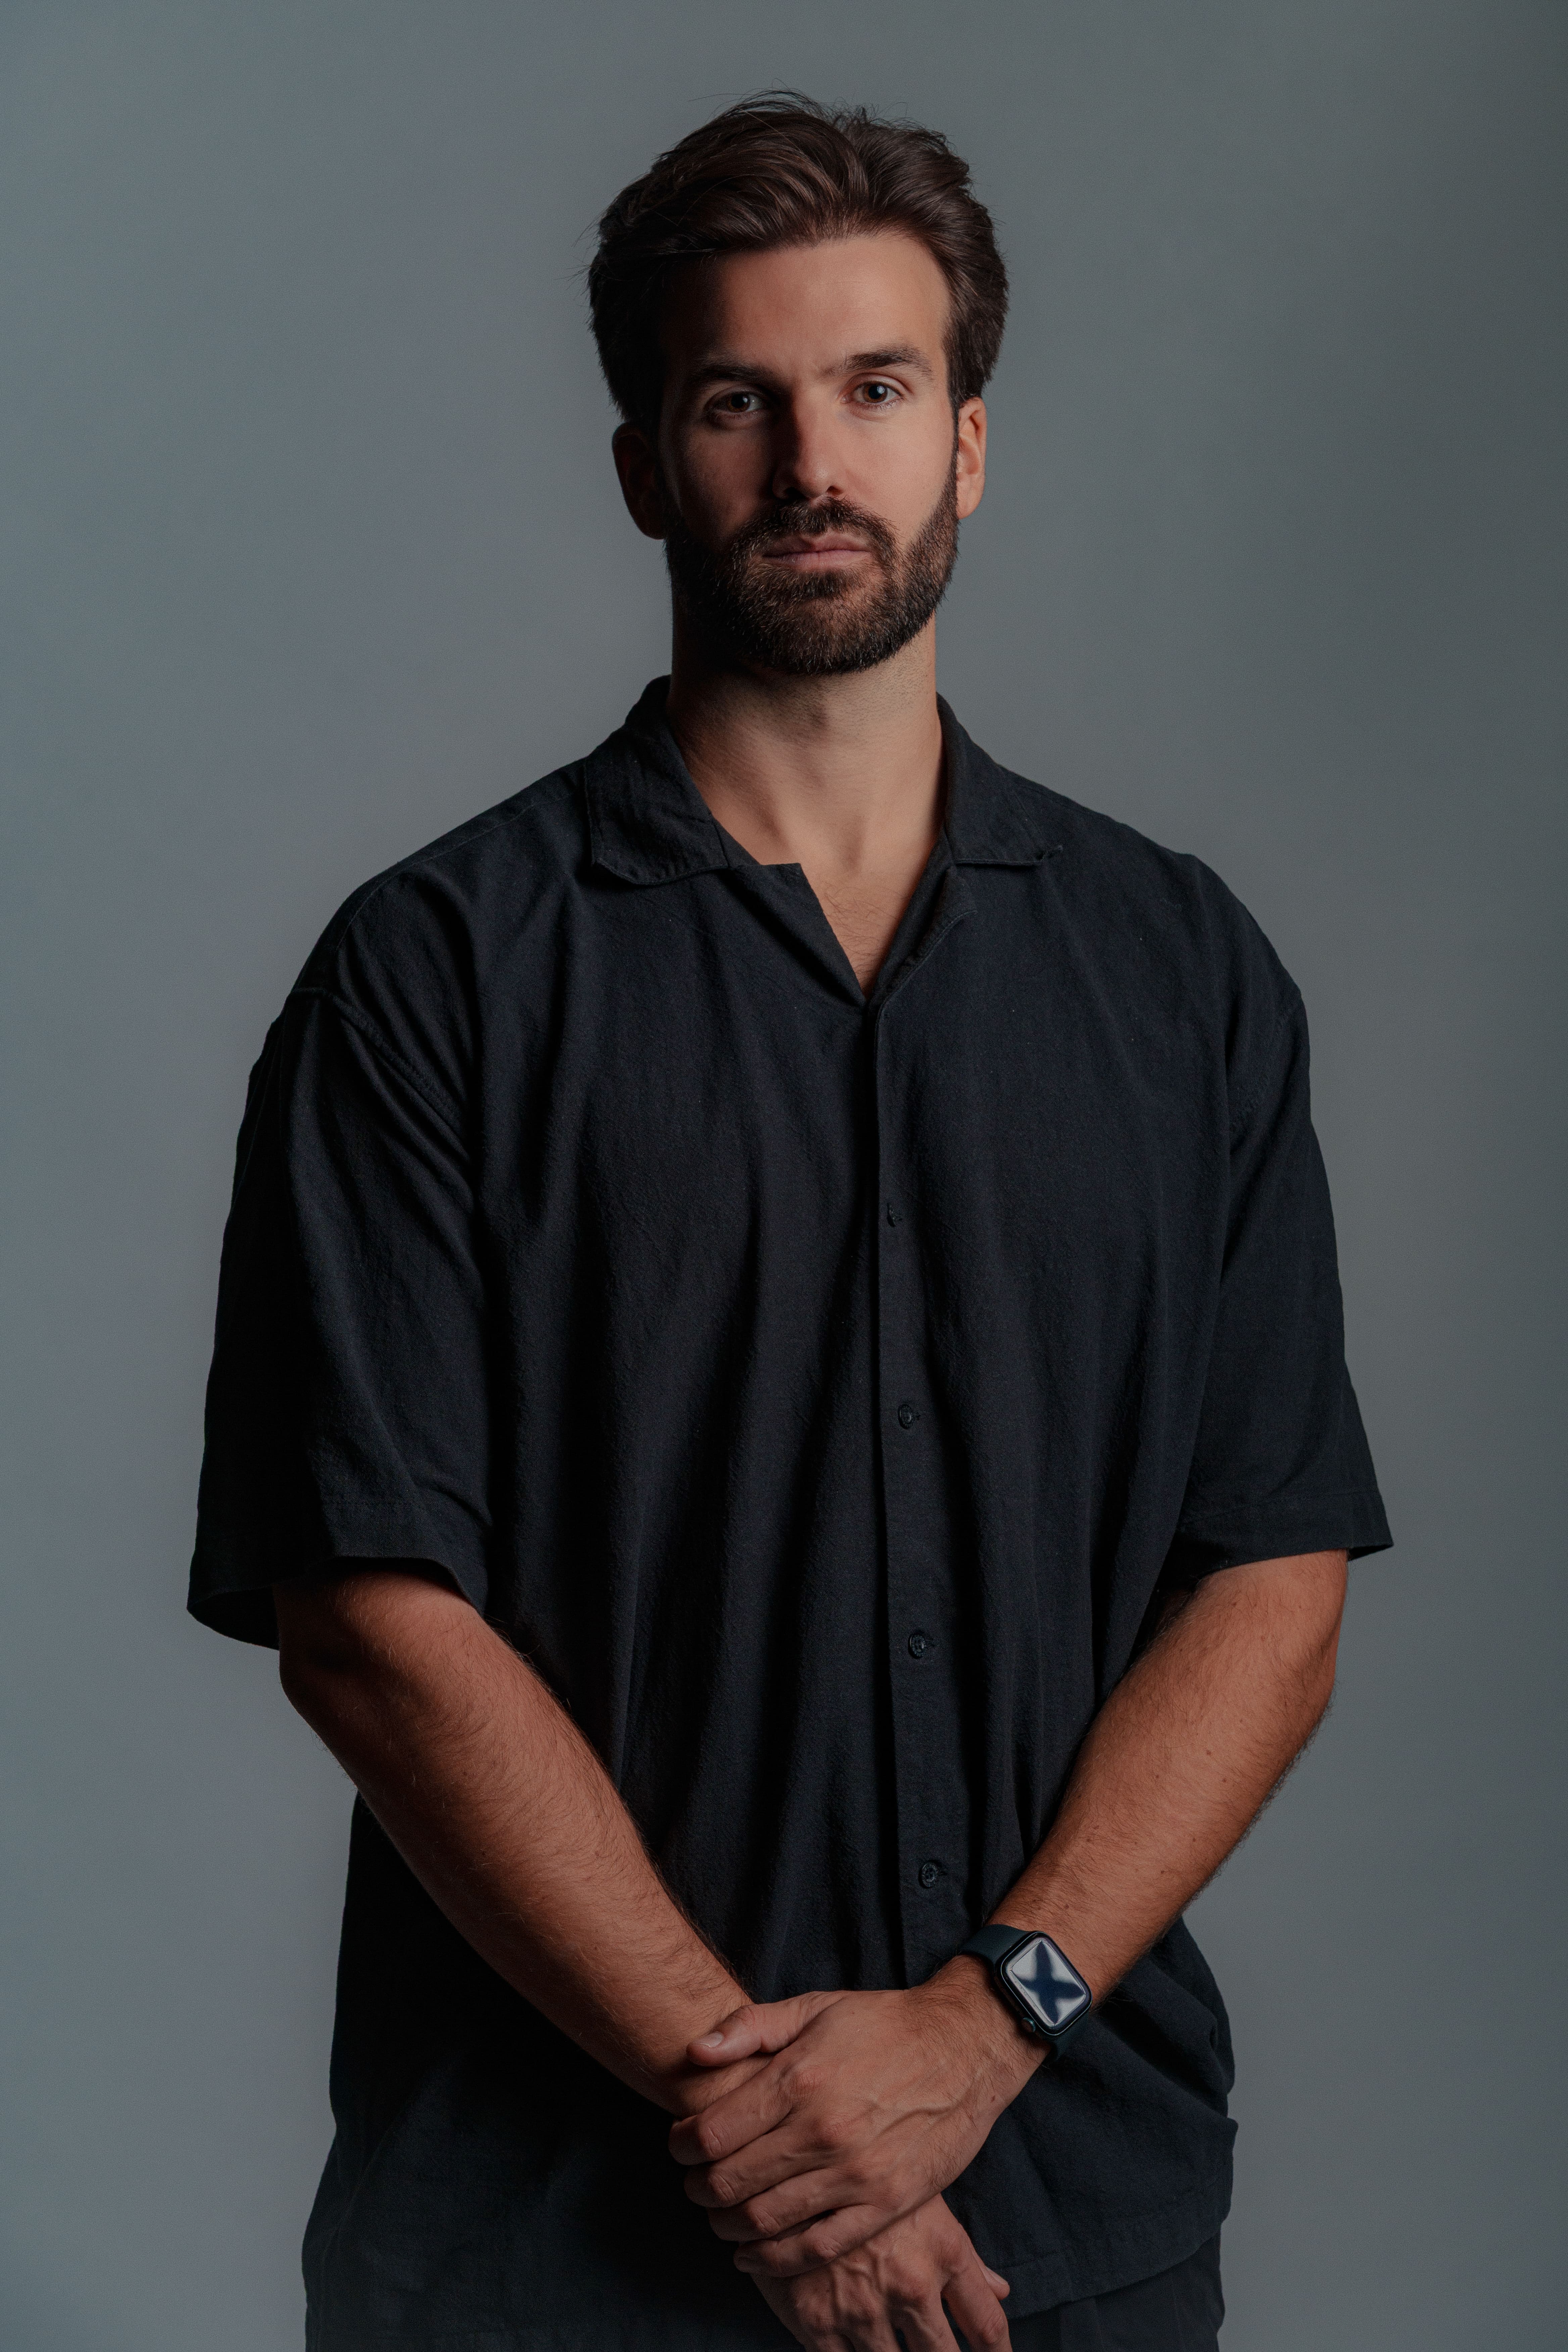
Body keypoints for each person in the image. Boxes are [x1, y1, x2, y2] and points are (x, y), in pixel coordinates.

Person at [190, 94, 1390, 2352]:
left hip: (1074, 2223)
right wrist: (785, 2138)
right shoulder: (432, 979)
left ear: (969, 446)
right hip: (548, 2257)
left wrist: (987, 2027)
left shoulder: (1184, 974)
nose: (816, 463)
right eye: (739, 400)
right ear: (645, 467)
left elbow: (1276, 1580)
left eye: (879, 388)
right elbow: (367, 1616)